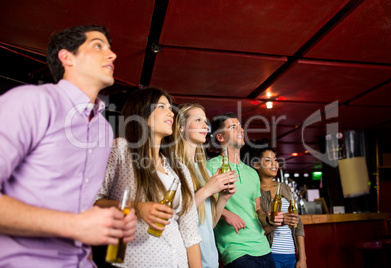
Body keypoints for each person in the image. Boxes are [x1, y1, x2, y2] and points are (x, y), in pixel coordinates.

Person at [0, 25, 137, 267]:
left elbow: (82, 206)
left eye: (110, 47)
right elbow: (76, 223)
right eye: (98, 45)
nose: (112, 55)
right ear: (67, 57)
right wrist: (75, 225)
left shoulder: (104, 130)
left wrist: (108, 222)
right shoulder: (31, 101)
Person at [95, 88, 202, 267]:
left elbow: (190, 234)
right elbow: (93, 201)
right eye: (162, 106)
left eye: (171, 108)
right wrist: (137, 208)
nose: (171, 112)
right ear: (141, 113)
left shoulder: (180, 170)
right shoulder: (121, 149)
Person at [206, 112, 284, 268]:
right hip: (236, 250)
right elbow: (202, 207)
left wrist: (269, 218)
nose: (241, 129)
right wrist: (225, 213)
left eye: (240, 126)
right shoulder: (210, 167)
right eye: (233, 127)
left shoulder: (252, 173)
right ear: (220, 137)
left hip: (263, 247)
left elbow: (258, 209)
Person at [172, 103, 238, 268]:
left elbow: (210, 224)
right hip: (187, 260)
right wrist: (208, 189)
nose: (205, 125)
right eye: (198, 120)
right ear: (181, 127)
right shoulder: (173, 167)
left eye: (205, 121)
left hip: (210, 259)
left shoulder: (204, 171)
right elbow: (175, 216)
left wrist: (223, 198)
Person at [244, 140, 307, 268]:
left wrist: (302, 258)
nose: (274, 164)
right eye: (268, 160)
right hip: (268, 254)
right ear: (256, 164)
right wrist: (277, 222)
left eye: (275, 160)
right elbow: (255, 232)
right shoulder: (254, 193)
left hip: (291, 254)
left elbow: (297, 224)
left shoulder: (284, 188)